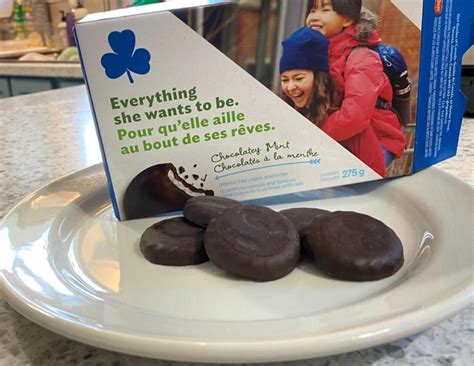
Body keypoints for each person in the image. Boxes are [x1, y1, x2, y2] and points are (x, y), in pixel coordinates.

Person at [305, 0, 406, 175]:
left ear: (347, 20)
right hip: (338, 141)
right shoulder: (318, 53)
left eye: (325, 10)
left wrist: (312, 135)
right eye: (312, 10)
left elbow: (355, 116)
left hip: (375, 142)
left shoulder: (362, 58)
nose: (314, 17)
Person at [280, 26, 388, 177]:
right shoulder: (285, 113)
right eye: (284, 79)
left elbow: (374, 173)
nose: (290, 87)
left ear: (318, 79)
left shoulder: (341, 116)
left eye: (299, 78)